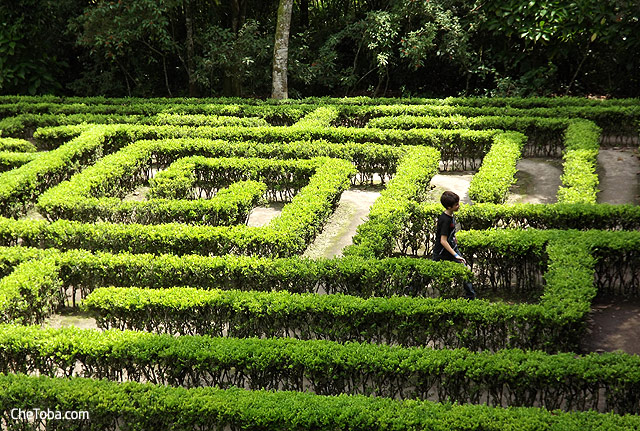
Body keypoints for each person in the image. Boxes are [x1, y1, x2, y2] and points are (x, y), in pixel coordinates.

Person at [432, 191, 476, 299]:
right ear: (449, 207)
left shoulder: (450, 215)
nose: (459, 206)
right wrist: (455, 255)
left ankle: (470, 296)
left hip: (451, 247)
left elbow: (449, 232)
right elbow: (443, 240)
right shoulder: (445, 220)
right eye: (456, 204)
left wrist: (454, 237)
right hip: (442, 252)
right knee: (432, 272)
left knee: (464, 270)